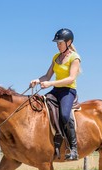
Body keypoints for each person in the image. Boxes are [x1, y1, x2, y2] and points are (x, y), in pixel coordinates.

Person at [30, 28, 81, 160]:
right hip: (56, 91)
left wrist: (50, 84)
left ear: (68, 42)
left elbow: (71, 79)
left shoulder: (75, 58)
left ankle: (74, 149)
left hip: (68, 91)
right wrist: (37, 80)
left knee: (64, 115)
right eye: (57, 43)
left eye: (60, 43)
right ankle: (54, 139)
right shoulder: (55, 57)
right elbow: (47, 75)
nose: (58, 46)